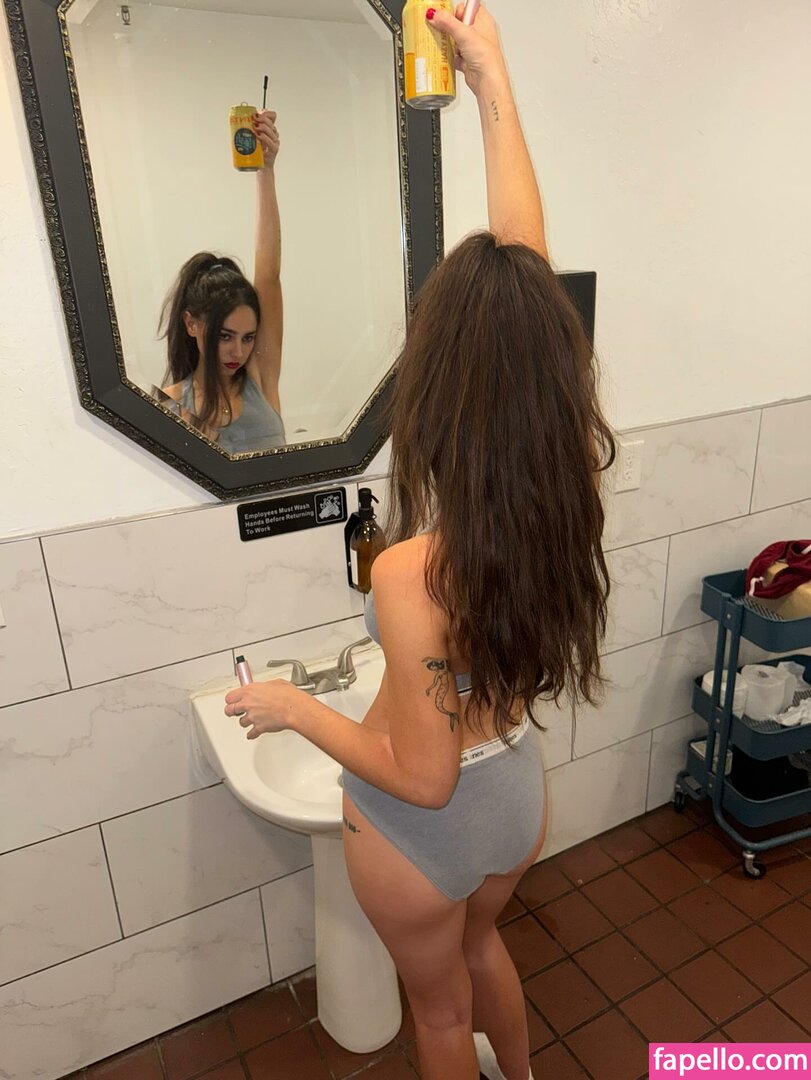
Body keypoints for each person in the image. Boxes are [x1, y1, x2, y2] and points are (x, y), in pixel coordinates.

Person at [224, 6, 615, 1079]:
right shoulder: (563, 492)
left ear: (434, 386)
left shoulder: (411, 572)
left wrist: (296, 710)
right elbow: (525, 276)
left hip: (422, 827)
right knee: (486, 949)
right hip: (516, 797)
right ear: (551, 376)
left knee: (439, 1016)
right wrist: (491, 82)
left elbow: (422, 777)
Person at [158, 109, 285, 453]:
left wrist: (266, 170)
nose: (238, 352)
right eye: (225, 336)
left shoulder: (259, 377)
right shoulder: (169, 407)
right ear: (191, 324)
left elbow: (268, 276)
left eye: (248, 337)